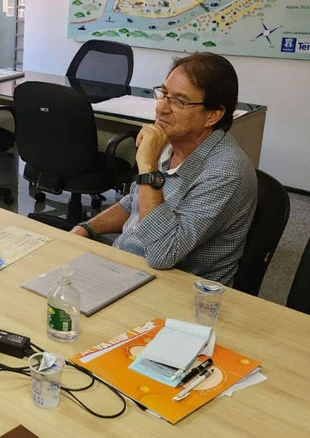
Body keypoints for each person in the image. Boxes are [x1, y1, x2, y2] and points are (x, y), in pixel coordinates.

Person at [71, 53, 257, 286]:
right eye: (164, 94)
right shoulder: (172, 143)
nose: (161, 107)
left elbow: (162, 255)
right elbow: (134, 204)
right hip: (129, 266)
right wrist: (87, 228)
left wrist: (147, 168)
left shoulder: (225, 172)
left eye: (179, 101)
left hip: (180, 289)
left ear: (212, 115)